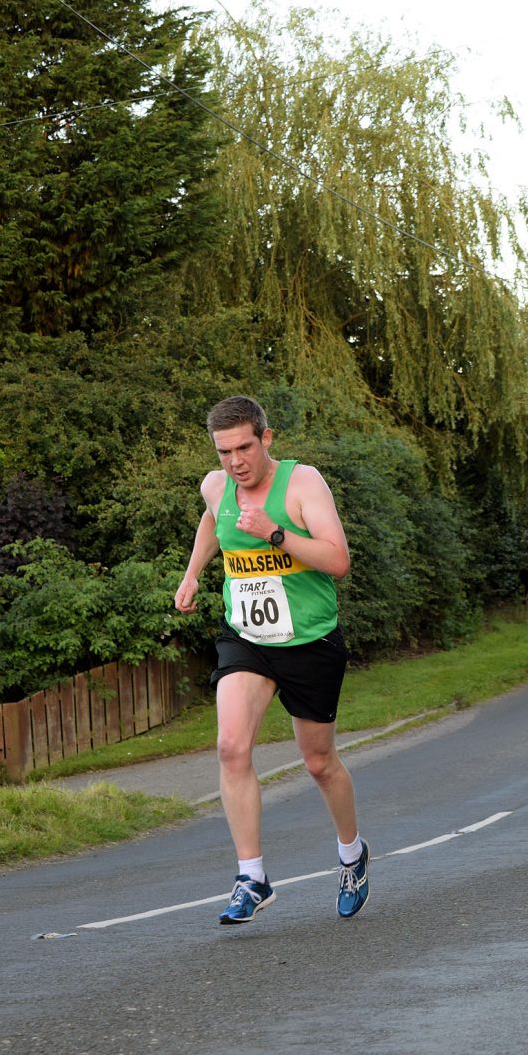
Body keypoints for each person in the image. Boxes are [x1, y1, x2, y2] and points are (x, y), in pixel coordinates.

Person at [174, 395, 369, 924]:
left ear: (266, 439)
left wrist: (275, 534)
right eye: (224, 452)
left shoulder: (303, 484)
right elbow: (213, 521)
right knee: (231, 747)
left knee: (318, 762)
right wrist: (192, 574)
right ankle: (252, 877)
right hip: (248, 637)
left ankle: (352, 855)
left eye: (244, 448)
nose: (235, 462)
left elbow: (338, 560)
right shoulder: (216, 486)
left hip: (309, 640)